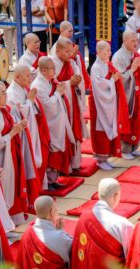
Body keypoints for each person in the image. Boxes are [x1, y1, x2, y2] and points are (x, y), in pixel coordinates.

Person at [0, 80, 29, 225]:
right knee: (6, 187)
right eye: (3, 93)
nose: (6, 94)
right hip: (2, 158)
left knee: (15, 183)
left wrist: (16, 128)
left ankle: (16, 216)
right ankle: (7, 219)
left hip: (11, 152)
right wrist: (13, 132)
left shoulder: (0, 109)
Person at [31, 56, 75, 189]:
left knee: (57, 151)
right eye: (52, 69)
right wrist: (57, 94)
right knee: (49, 152)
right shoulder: (38, 85)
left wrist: (59, 91)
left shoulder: (49, 81)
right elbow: (47, 105)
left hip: (56, 122)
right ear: (43, 70)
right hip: (47, 124)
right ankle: (48, 182)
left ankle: (53, 179)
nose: (54, 72)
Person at [71, 178, 134, 269]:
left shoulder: (84, 217)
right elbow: (132, 257)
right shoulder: (122, 225)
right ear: (116, 195)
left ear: (98, 193)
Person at [7, 64, 50, 191]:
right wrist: (30, 101)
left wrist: (31, 101)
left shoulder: (24, 88)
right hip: (24, 134)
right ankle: (32, 193)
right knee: (28, 163)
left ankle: (40, 187)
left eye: (30, 75)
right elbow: (17, 115)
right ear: (17, 77)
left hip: (32, 130)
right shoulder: (11, 94)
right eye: (27, 76)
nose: (29, 78)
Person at [112, 30, 140, 160]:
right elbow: (119, 78)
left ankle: (134, 147)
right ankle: (124, 149)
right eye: (133, 41)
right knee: (126, 119)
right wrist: (133, 70)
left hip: (136, 92)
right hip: (125, 94)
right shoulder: (118, 57)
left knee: (136, 119)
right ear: (124, 41)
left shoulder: (135, 54)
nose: (136, 43)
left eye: (136, 40)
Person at [89, 41, 130, 170]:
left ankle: (106, 157)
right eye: (106, 50)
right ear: (99, 52)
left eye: (109, 50)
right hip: (99, 103)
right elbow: (99, 86)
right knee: (101, 130)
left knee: (110, 127)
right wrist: (113, 80)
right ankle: (100, 159)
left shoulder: (107, 65)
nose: (109, 52)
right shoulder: (95, 67)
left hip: (108, 103)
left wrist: (114, 80)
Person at [52, 37, 89, 170]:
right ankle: (65, 165)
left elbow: (80, 80)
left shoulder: (72, 63)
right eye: (66, 52)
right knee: (65, 132)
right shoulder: (53, 64)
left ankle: (75, 163)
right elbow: (53, 85)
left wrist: (77, 83)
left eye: (71, 51)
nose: (70, 54)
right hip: (62, 104)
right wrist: (69, 83)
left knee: (75, 129)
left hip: (73, 100)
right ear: (57, 51)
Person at [17, 196, 73, 269]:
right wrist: (61, 231)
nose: (57, 213)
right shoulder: (59, 237)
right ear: (51, 212)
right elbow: (74, 249)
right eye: (56, 211)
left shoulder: (27, 233)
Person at [50, 21, 91, 91]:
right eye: (69, 31)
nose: (72, 33)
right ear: (61, 31)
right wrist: (72, 55)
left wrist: (75, 56)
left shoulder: (70, 43)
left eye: (72, 31)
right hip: (65, 83)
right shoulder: (57, 46)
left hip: (73, 78)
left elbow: (75, 63)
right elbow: (57, 63)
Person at [0, 0, 17, 70]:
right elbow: (4, 4)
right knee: (8, 44)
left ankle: (20, 62)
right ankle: (9, 64)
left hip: (18, 21)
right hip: (7, 22)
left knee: (18, 43)